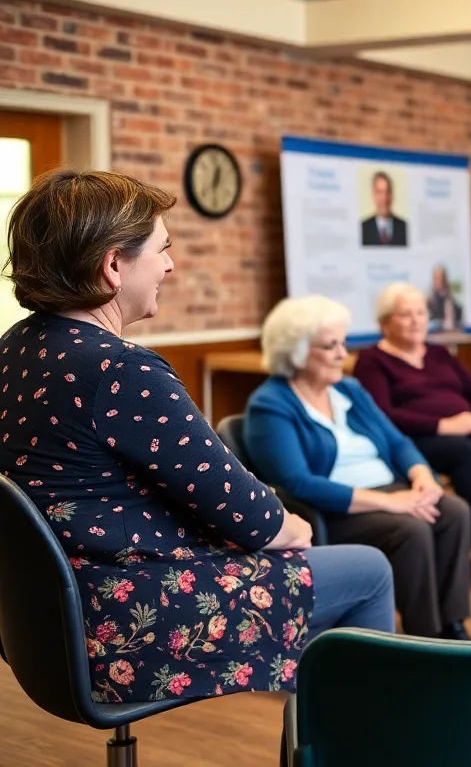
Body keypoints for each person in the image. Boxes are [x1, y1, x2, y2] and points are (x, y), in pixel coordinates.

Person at [0, 170, 395, 703]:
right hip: (123, 626)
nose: (169, 264)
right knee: (367, 569)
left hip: (38, 622)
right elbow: (243, 511)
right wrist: (290, 526)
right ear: (113, 266)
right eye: (162, 249)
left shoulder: (15, 349)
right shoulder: (121, 371)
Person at [244, 295, 471, 639]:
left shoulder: (349, 389)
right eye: (331, 345)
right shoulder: (270, 405)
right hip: (335, 510)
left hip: (391, 490)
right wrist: (391, 502)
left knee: (454, 510)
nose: (343, 354)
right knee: (411, 530)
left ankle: (452, 624)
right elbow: (298, 482)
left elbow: (398, 442)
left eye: (343, 342)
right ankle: (424, 638)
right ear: (297, 351)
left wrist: (422, 475)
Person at [354, 282, 471, 594]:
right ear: (385, 323)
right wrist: (443, 425)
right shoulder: (372, 361)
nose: (417, 320)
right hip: (415, 440)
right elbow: (382, 415)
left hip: (464, 429)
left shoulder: (438, 352)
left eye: (420, 312)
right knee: (467, 453)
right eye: (406, 314)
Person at [360, 171, 408, 247]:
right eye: (380, 192)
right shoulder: (362, 229)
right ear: (373, 196)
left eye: (388, 192)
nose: (384, 198)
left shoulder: (405, 228)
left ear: (392, 196)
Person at [427, 265, 463, 333]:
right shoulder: (431, 298)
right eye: (434, 278)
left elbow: (449, 324)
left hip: (445, 332)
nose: (435, 281)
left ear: (444, 279)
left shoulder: (448, 298)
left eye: (438, 278)